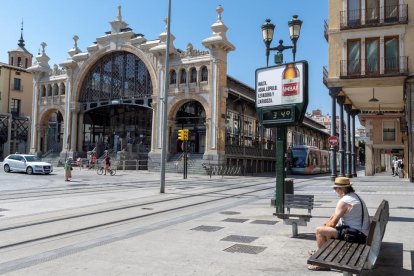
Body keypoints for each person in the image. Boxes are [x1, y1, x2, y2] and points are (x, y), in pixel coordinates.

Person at [308, 177, 370, 271]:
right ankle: (323, 253)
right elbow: (334, 215)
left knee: (319, 231)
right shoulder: (354, 196)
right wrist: (326, 226)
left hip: (355, 235)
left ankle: (323, 263)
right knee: (326, 229)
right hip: (361, 232)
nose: (335, 191)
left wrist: (324, 228)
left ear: (341, 189)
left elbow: (333, 223)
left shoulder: (344, 201)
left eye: (335, 189)